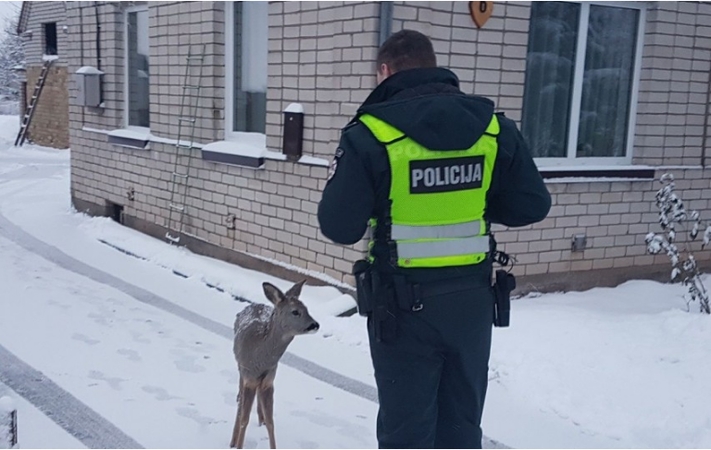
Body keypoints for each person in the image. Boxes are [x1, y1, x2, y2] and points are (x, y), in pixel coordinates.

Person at [317, 29, 551, 449]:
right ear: (434, 65)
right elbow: (532, 205)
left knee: (407, 431)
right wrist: (472, 203)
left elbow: (339, 226)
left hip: (401, 309)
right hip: (472, 305)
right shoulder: (494, 129)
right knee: (461, 426)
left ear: (385, 71)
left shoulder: (371, 134)